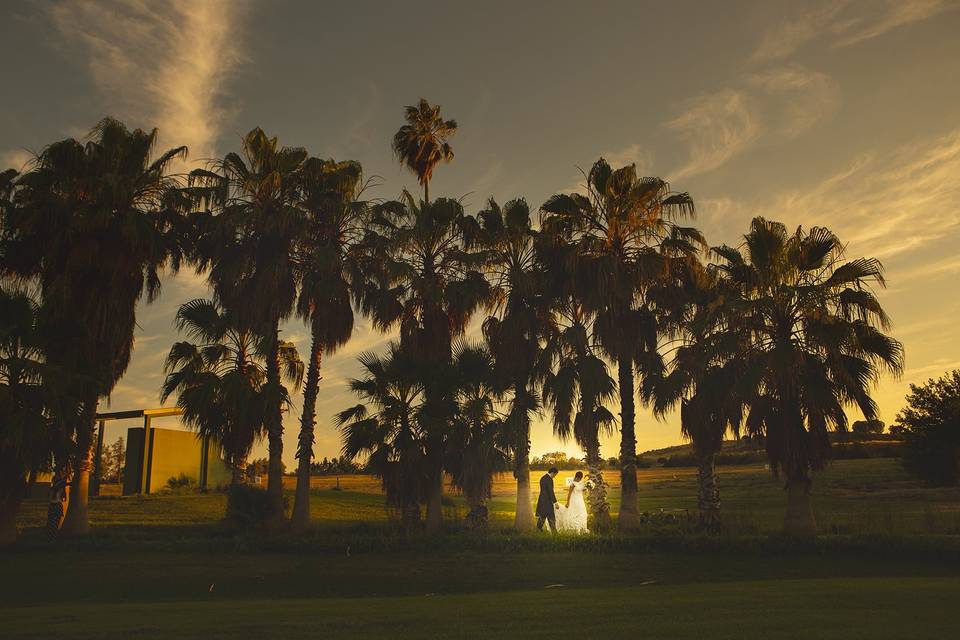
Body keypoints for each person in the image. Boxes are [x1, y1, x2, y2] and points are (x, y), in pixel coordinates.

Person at [536, 467, 560, 533]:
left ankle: (538, 529)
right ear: (552, 472)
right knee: (551, 517)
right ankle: (554, 532)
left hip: (541, 500)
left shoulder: (542, 478)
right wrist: (555, 502)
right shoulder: (549, 479)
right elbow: (550, 491)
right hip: (548, 501)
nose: (554, 477)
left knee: (542, 516)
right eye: (555, 475)